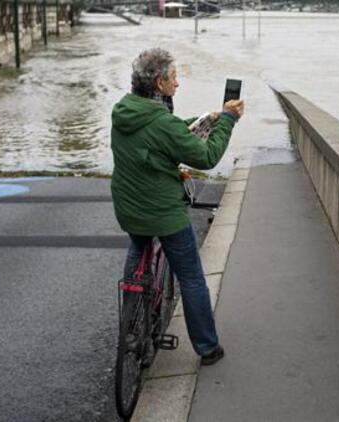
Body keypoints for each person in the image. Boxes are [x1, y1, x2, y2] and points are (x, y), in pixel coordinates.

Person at [110, 48, 245, 365]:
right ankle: (208, 348)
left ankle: (131, 323)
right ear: (159, 83)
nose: (178, 84)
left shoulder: (124, 110)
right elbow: (207, 157)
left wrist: (204, 119)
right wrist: (226, 120)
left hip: (129, 208)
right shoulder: (163, 123)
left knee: (138, 246)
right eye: (174, 78)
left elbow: (162, 132)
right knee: (192, 278)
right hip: (162, 212)